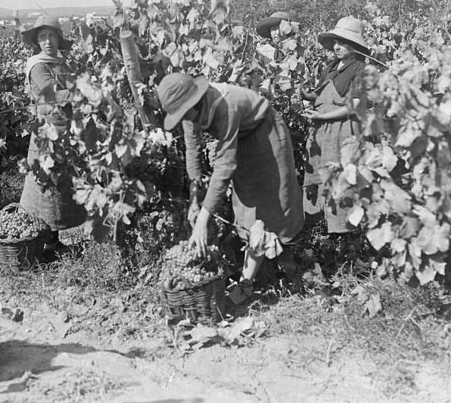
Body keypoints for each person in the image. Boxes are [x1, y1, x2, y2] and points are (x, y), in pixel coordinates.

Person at [156, 72, 304, 304]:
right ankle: (255, 272)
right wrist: (195, 199)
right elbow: (193, 153)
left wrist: (204, 220)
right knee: (246, 203)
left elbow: (224, 166)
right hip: (242, 141)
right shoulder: (189, 113)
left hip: (267, 136)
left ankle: (273, 273)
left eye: (186, 113)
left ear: (196, 101)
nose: (186, 119)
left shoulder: (227, 106)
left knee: (271, 204)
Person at [18, 16, 86, 255]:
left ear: (58, 38)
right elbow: (51, 92)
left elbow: (74, 86)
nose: (48, 41)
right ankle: (43, 242)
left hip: (65, 131)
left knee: (60, 186)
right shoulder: (37, 65)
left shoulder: (62, 63)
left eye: (52, 36)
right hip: (47, 133)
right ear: (37, 42)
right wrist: (84, 91)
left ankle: (52, 240)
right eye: (43, 37)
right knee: (45, 185)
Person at [300, 16, 369, 237]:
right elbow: (321, 94)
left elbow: (354, 105)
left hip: (344, 130)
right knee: (319, 173)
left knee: (340, 178)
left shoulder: (361, 69)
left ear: (355, 45)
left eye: (343, 43)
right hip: (322, 129)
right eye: (335, 43)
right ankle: (321, 229)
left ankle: (346, 236)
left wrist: (323, 117)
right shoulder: (331, 66)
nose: (337, 47)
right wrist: (305, 94)